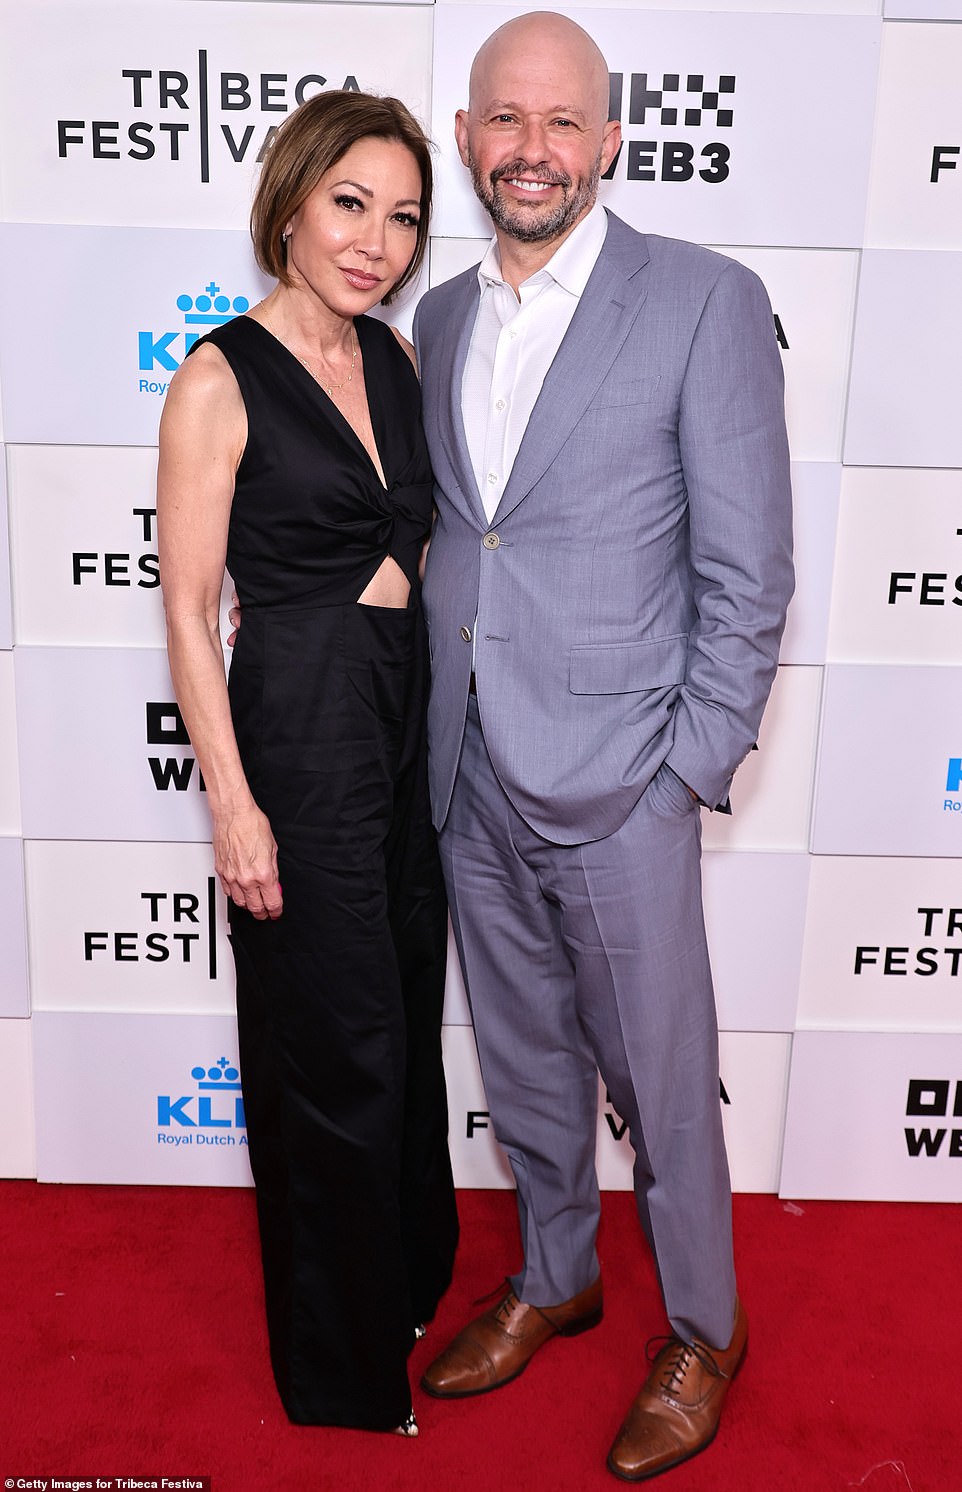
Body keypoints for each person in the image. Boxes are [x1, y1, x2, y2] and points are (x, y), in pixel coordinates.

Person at [412, 11, 794, 1481]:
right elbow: (464, 533)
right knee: (518, 1057)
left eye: (561, 121)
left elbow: (747, 568)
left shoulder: (699, 300)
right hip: (467, 767)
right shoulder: (437, 317)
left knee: (658, 1065)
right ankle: (556, 1276)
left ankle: (702, 1324)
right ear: (465, 140)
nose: (531, 149)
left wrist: (686, 765)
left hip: (622, 771)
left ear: (610, 138)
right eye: (504, 120)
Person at [156, 90, 458, 1436]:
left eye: (401, 215)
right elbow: (184, 604)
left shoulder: (393, 359)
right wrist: (233, 800)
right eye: (350, 204)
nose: (375, 241)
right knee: (328, 1038)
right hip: (300, 718)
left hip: (405, 714)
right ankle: (339, 1377)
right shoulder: (219, 376)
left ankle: (396, 1278)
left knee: (396, 999)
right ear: (289, 202)